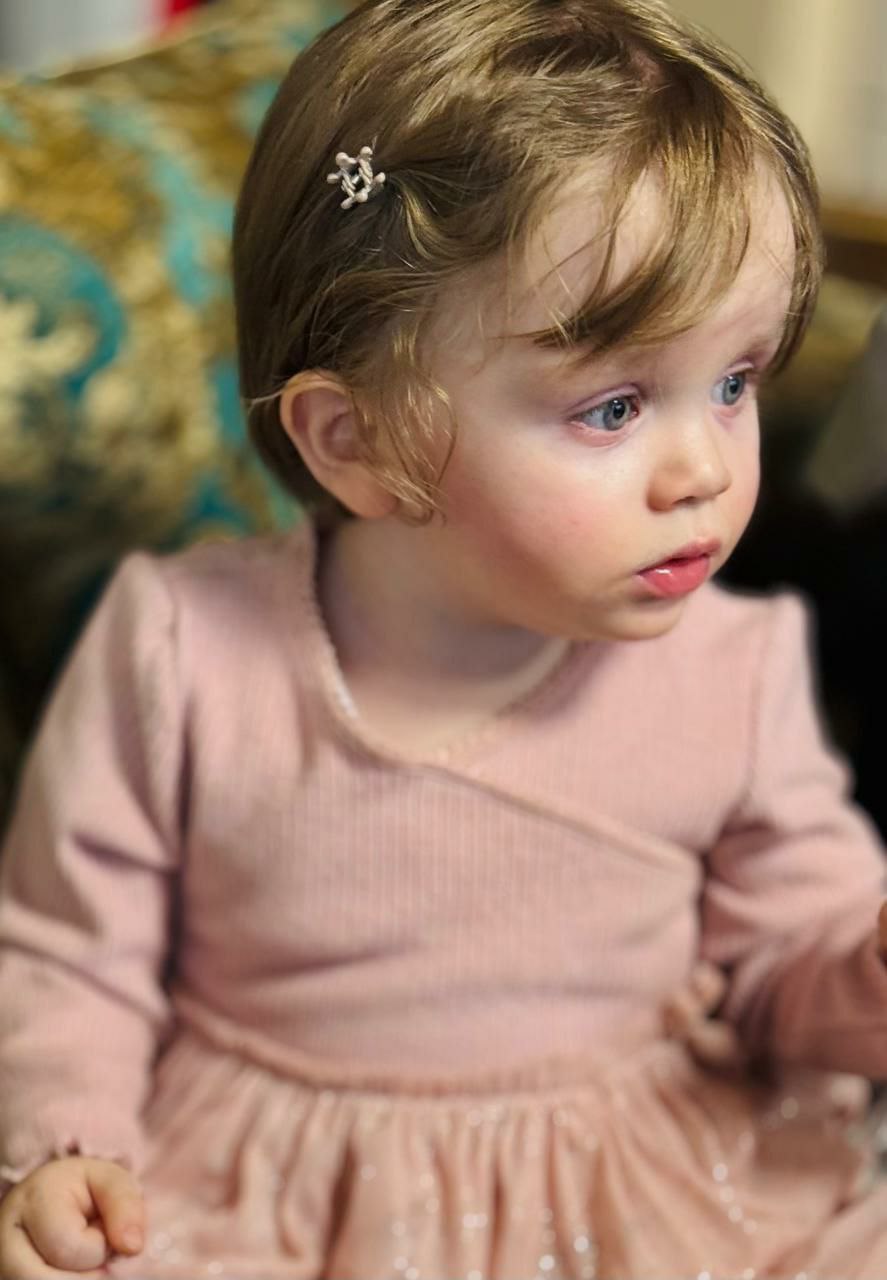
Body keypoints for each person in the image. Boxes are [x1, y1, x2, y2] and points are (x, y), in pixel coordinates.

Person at [1, 1, 886, 1276]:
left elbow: (787, 977)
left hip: (632, 1183)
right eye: (614, 406)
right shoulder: (181, 649)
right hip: (274, 1196)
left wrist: (863, 969)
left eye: (735, 382)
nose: (703, 468)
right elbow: (69, 954)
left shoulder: (730, 670)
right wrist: (64, 1144)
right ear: (355, 439)